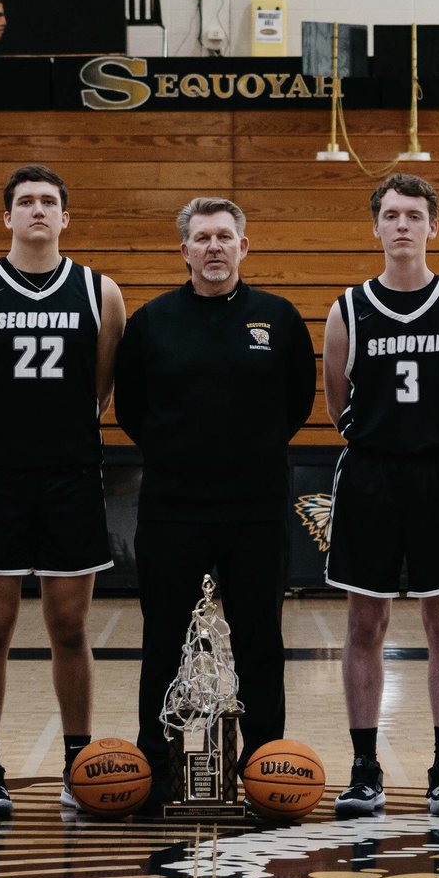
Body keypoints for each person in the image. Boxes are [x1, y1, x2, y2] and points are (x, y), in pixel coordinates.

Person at [114, 196, 316, 809]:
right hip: (174, 509)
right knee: (163, 640)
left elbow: (297, 404)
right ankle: (153, 767)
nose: (214, 248)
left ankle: (266, 769)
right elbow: (131, 409)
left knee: (260, 641)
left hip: (254, 509)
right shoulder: (151, 322)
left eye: (225, 237)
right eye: (202, 238)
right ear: (185, 251)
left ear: (243, 247)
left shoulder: (278, 319)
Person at [0, 165, 126, 817]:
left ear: (66, 216)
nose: (38, 210)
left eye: (50, 200)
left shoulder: (101, 291)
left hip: (71, 476)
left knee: (70, 626)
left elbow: (102, 388)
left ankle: (80, 764)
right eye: (25, 201)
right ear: (8, 217)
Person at [323, 174, 439, 817]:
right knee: (366, 622)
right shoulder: (348, 308)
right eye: (390, 215)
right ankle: (365, 767)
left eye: (413, 215)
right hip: (369, 475)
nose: (402, 226)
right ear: (376, 226)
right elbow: (338, 401)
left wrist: (436, 441)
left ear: (432, 227)